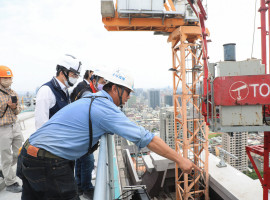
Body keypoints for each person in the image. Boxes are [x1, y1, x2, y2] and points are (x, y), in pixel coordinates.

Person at [17, 68, 200, 200]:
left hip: (27, 155)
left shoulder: (91, 98)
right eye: (127, 92)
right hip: (48, 163)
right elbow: (147, 138)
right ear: (115, 89)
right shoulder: (105, 110)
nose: (129, 97)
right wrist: (181, 160)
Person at [73, 69, 106, 200]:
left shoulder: (87, 88)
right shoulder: (85, 90)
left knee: (81, 160)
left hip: (79, 129)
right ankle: (86, 188)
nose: (104, 85)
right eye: (103, 82)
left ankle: (79, 185)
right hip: (81, 131)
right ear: (93, 80)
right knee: (88, 160)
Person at [34, 54, 82, 129]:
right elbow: (41, 124)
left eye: (77, 76)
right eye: (73, 75)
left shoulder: (65, 90)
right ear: (62, 73)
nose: (75, 78)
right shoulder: (46, 91)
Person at [0, 65, 23, 193]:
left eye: (9, 77)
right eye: (5, 77)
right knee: (6, 156)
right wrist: (5, 105)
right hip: (2, 128)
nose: (8, 80)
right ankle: (10, 182)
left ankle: (4, 169)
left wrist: (14, 107)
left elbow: (17, 111)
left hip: (15, 126)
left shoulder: (13, 93)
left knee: (20, 152)